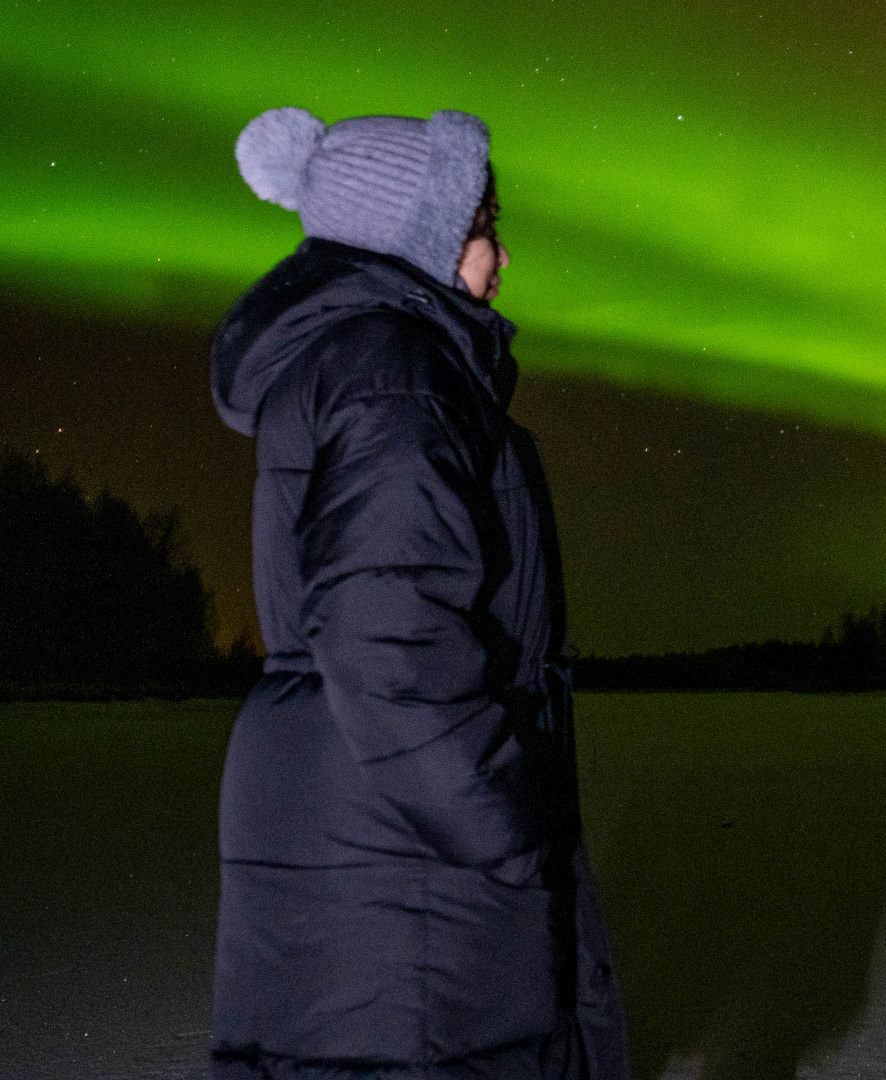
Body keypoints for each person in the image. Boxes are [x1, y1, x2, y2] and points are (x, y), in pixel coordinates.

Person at [208, 106, 628, 1078]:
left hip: (354, 831)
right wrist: (505, 832)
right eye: (485, 229)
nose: (503, 256)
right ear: (426, 238)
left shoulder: (351, 363)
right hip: (408, 868)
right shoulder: (400, 374)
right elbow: (385, 635)